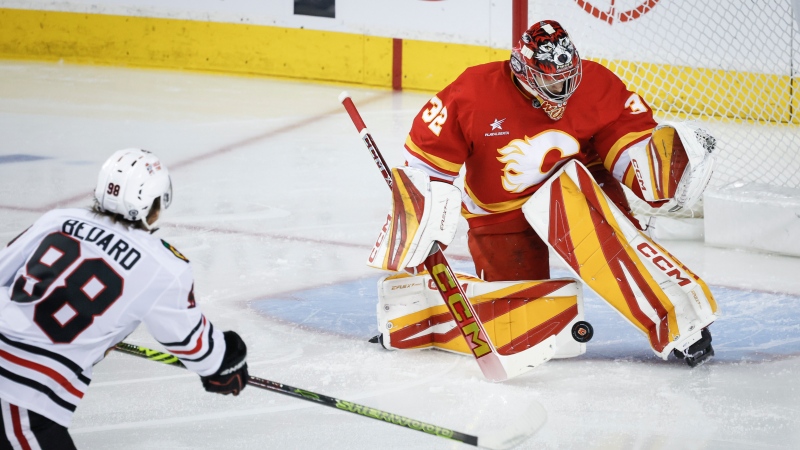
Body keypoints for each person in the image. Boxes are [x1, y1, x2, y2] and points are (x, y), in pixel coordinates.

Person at [372, 20, 717, 369]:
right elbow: (427, 165)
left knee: (620, 251)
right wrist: (426, 222)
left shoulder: (596, 84)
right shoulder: (473, 93)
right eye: (550, 77)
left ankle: (682, 325)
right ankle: (414, 313)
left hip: (575, 192)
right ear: (521, 70)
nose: (563, 85)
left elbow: (626, 140)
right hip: (498, 214)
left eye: (567, 74)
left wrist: (657, 170)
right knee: (519, 313)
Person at [0, 148, 248, 449]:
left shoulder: (58, 219)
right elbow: (193, 344)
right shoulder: (163, 266)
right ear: (153, 205)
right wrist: (226, 361)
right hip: (20, 393)